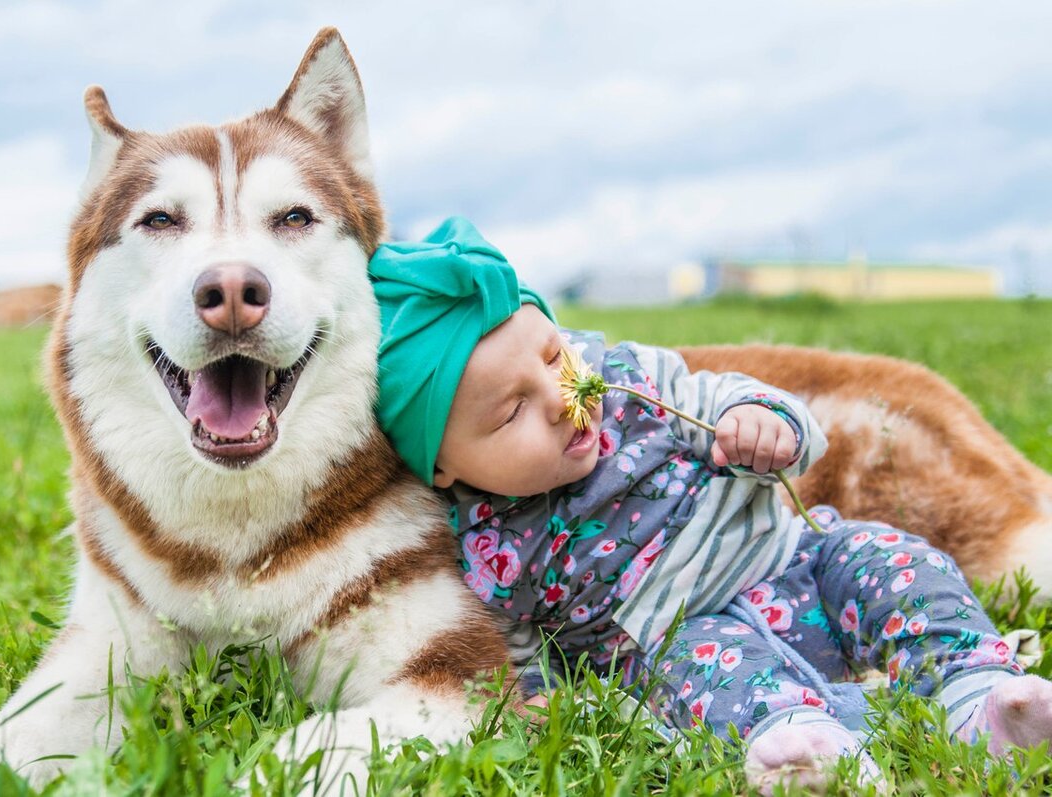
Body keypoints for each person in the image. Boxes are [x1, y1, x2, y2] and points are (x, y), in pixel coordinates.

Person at [368, 217, 1052, 792]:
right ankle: (799, 739)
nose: (560, 398)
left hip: (789, 559)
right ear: (445, 467)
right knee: (702, 673)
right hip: (674, 631)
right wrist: (538, 693)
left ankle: (980, 689)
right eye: (512, 409)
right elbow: (521, 642)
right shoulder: (490, 552)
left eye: (554, 355)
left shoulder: (636, 384)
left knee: (889, 557)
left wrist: (764, 420)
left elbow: (732, 397)